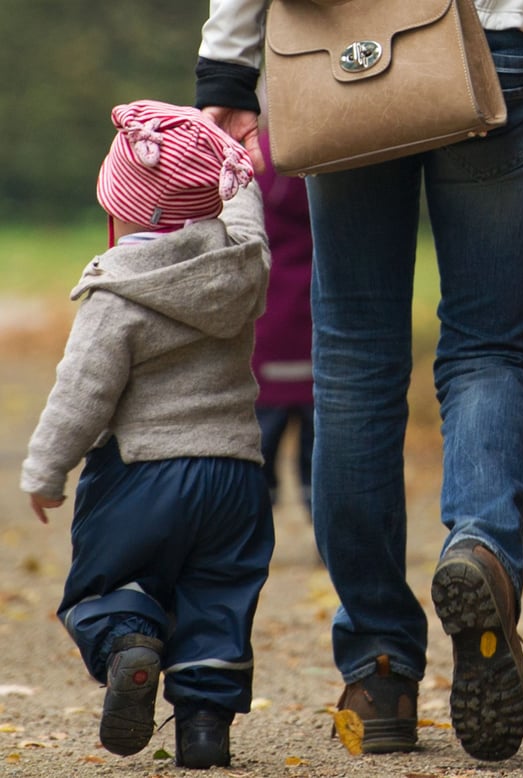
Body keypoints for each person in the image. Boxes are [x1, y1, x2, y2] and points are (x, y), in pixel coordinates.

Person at [194, 0, 523, 761]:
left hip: (345, 39)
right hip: (507, 40)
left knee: (352, 358)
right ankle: (482, 549)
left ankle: (378, 670)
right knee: (490, 346)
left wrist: (228, 67)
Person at [20, 100, 275, 770]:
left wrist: (46, 471)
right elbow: (250, 224)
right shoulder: (242, 267)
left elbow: (82, 393)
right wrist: (236, 172)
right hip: (235, 475)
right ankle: (203, 731)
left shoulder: (118, 292)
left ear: (122, 209)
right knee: (218, 599)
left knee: (109, 586)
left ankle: (130, 646)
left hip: (141, 474)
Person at [252, 130, 315, 519]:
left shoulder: (255, 160)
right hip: (317, 319)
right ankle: (332, 531)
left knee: (258, 448)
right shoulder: (329, 153)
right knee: (323, 448)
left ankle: (248, 528)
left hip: (267, 326)